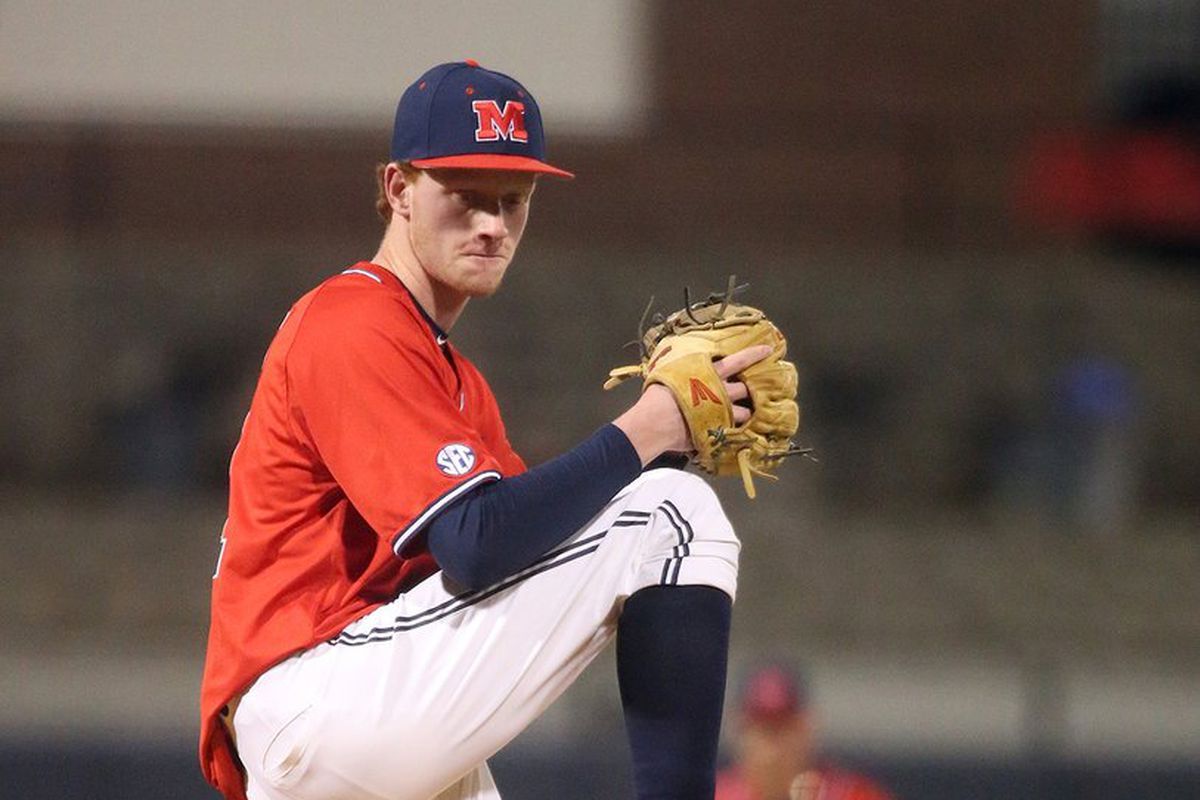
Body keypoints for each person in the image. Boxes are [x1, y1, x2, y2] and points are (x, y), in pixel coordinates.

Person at [199, 59, 773, 800]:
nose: (493, 224)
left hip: (356, 720)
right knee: (674, 517)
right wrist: (649, 428)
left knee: (657, 501)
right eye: (466, 196)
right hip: (321, 694)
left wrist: (674, 441)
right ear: (397, 189)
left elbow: (534, 538)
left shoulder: (456, 379)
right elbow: (478, 545)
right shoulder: (352, 320)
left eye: (513, 199)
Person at [716, 664, 895, 800]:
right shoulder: (714, 794)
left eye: (785, 728)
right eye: (763, 730)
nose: (773, 748)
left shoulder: (853, 794)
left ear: (808, 726)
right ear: (738, 729)